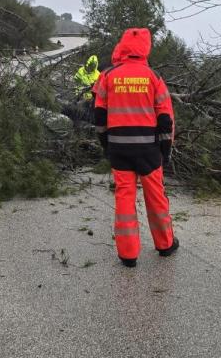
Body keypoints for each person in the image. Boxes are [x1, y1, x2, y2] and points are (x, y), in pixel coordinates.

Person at [92, 28, 178, 267]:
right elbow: (165, 119)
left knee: (124, 201)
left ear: (123, 46)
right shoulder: (153, 77)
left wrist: (105, 145)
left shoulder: (108, 76)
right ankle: (165, 244)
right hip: (149, 151)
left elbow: (99, 116)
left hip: (119, 150)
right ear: (145, 48)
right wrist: (166, 149)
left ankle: (128, 255)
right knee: (156, 199)